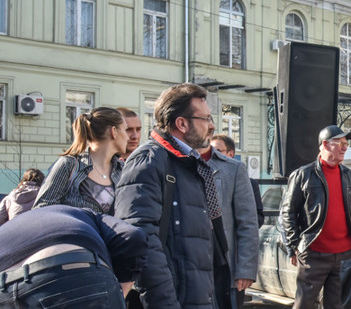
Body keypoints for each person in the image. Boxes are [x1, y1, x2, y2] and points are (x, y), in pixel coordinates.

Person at [114, 83, 231, 309]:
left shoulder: (189, 163)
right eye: (205, 119)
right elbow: (141, 241)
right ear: (182, 123)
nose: (212, 126)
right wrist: (165, 303)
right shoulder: (149, 161)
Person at [0, 205, 148, 308]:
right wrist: (121, 291)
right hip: (70, 273)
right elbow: (132, 236)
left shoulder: (11, 226)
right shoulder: (89, 215)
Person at [280, 125, 351, 309]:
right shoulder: (303, 174)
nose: (344, 147)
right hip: (314, 253)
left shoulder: (349, 176)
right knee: (304, 305)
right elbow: (288, 212)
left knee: (337, 306)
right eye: (339, 143)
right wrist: (293, 246)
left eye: (346, 143)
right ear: (325, 144)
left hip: (345, 255)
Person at [34, 107, 127, 214]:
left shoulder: (123, 169)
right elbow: (41, 209)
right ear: (114, 131)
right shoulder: (69, 165)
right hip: (73, 230)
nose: (128, 137)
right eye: (125, 129)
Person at [202, 134, 259, 309]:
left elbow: (248, 222)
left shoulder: (234, 170)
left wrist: (246, 268)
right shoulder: (179, 165)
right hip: (193, 264)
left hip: (225, 265)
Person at [211, 134, 265, 228]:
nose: (212, 155)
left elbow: (257, 218)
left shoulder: (250, 184)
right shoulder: (204, 181)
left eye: (217, 151)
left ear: (230, 154)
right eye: (210, 151)